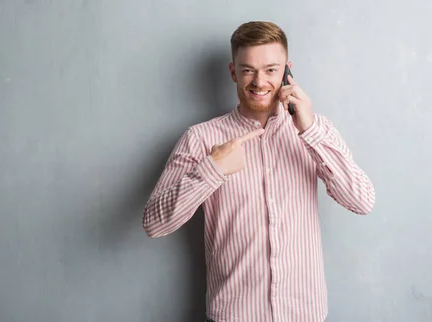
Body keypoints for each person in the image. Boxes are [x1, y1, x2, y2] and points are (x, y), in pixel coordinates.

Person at [142, 21, 375, 322]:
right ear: (233, 72)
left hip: (304, 314)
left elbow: (362, 201)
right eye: (248, 69)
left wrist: (309, 130)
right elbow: (154, 223)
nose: (259, 81)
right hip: (235, 315)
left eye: (271, 69)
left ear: (287, 71)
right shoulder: (200, 138)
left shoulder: (317, 130)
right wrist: (212, 170)